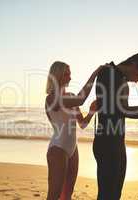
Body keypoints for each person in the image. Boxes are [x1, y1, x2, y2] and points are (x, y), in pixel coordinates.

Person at [93, 53, 138, 200]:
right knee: (108, 194)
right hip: (107, 143)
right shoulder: (108, 73)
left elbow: (121, 111)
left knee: (115, 194)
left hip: (117, 142)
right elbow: (118, 109)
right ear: (134, 64)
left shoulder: (120, 79)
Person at [45, 61, 104, 200]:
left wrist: (91, 112)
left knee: (67, 194)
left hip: (72, 148)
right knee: (53, 195)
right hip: (58, 149)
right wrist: (95, 73)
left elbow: (82, 124)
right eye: (66, 74)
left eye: (70, 74)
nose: (70, 78)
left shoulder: (70, 96)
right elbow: (81, 99)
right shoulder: (52, 98)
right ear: (57, 76)